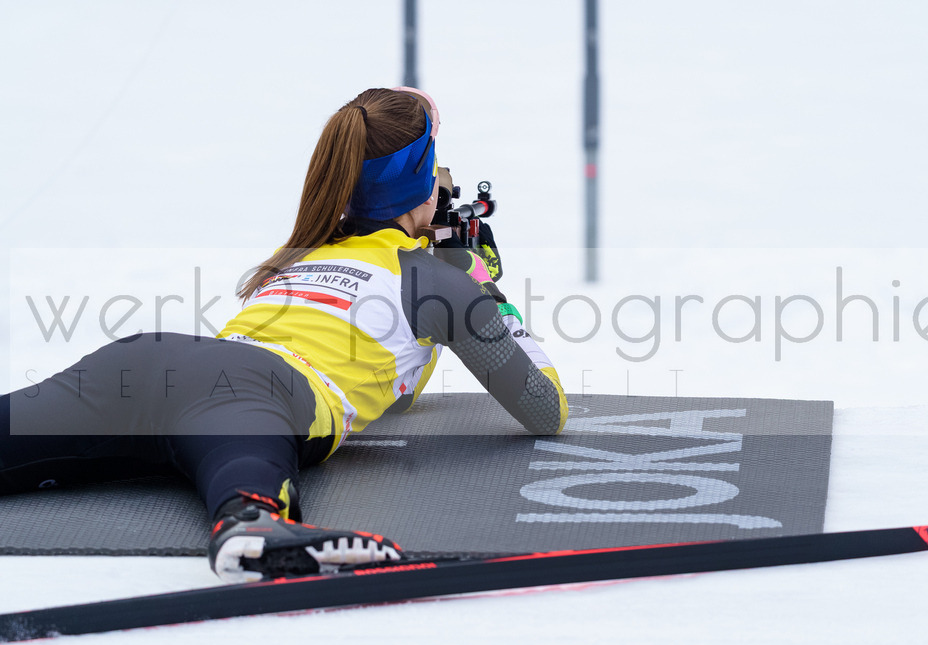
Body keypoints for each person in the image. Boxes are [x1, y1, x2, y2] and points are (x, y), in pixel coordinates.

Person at [0, 87, 567, 583]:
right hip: (258, 393)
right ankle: (254, 524)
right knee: (245, 487)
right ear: (423, 182)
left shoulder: (299, 248)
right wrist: (485, 290)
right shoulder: (438, 283)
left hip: (153, 360)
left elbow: (392, 378)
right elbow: (544, 409)